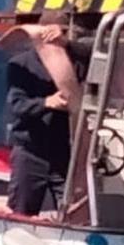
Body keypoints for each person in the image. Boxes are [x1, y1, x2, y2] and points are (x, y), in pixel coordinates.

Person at [5, 23, 90, 216]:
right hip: (30, 150)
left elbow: (100, 53)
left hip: (64, 151)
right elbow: (16, 105)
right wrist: (46, 103)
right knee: (21, 211)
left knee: (75, 211)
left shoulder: (75, 61)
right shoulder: (20, 64)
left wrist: (66, 42)